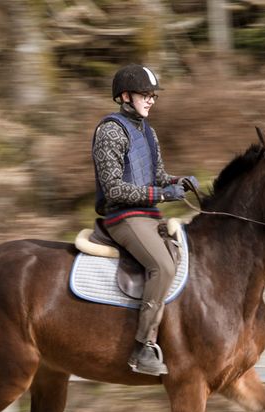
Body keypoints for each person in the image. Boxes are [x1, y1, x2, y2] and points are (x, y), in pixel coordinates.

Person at [92, 63, 198, 376]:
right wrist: (163, 195)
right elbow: (114, 188)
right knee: (162, 266)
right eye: (145, 95)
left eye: (153, 96)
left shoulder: (147, 131)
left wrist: (180, 181)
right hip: (122, 217)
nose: (151, 100)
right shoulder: (109, 131)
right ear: (125, 96)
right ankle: (143, 345)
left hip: (147, 215)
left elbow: (158, 175)